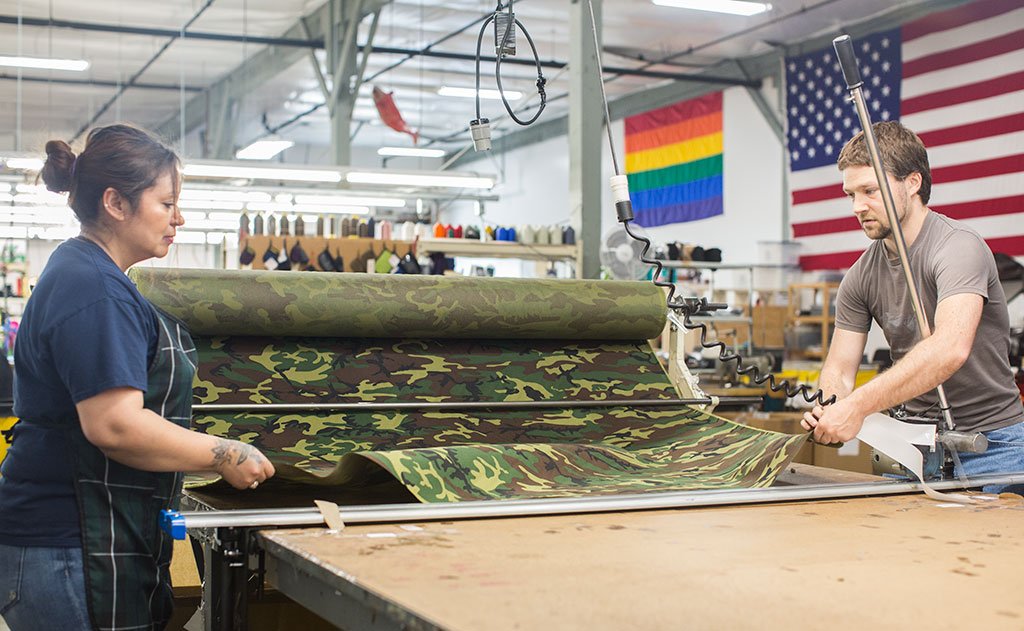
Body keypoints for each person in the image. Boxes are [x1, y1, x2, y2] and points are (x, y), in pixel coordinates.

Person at [0, 124, 276, 631]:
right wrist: (226, 454)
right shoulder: (94, 288)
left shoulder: (89, 274)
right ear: (115, 203)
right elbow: (116, 425)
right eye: (167, 203)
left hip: (80, 538)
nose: (179, 218)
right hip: (69, 545)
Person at [800, 121, 1024, 494]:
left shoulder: (958, 248)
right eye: (851, 194)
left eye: (870, 191)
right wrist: (832, 406)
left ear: (913, 183)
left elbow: (949, 349)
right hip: (913, 447)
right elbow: (839, 368)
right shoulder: (860, 276)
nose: (857, 207)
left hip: (993, 446)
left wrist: (857, 407)